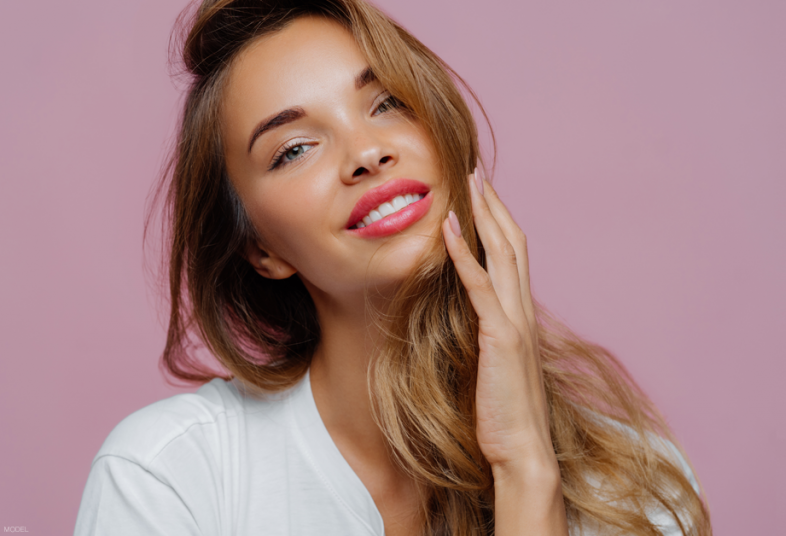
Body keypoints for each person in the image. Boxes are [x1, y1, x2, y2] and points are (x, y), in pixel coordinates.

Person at [73, 1, 711, 535]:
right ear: (261, 249)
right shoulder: (168, 480)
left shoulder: (638, 491)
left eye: (386, 104)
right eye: (294, 149)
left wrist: (525, 470)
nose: (367, 153)